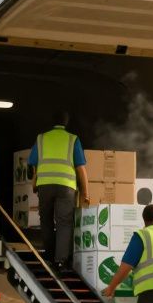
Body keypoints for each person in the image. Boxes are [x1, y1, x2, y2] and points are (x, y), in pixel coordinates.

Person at [27, 111, 90, 271]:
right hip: (66, 186)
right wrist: (85, 193)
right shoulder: (73, 139)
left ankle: (48, 255)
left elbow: (32, 163)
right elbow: (81, 168)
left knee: (46, 220)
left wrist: (34, 182)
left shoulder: (41, 138)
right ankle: (61, 261)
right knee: (64, 223)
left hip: (45, 185)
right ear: (67, 122)